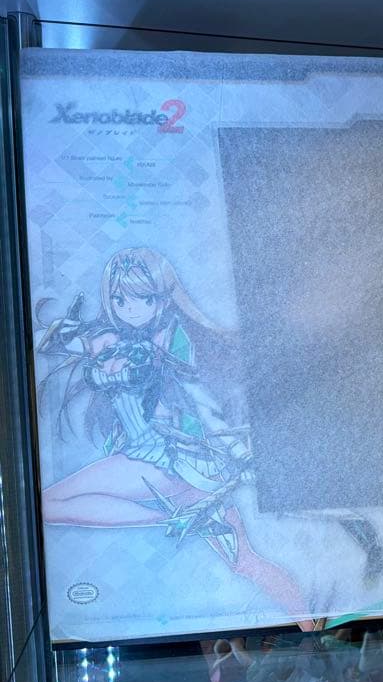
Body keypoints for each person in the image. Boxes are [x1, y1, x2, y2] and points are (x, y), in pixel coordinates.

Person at [37, 246, 311, 627]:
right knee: (245, 562)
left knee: (48, 503)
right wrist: (62, 333)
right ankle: (310, 626)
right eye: (119, 300)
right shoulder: (117, 338)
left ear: (163, 298)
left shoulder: (175, 344)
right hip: (173, 466)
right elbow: (60, 342)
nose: (129, 309)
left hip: (163, 459)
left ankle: (168, 516)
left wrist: (238, 453)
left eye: (142, 299)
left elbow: (205, 405)